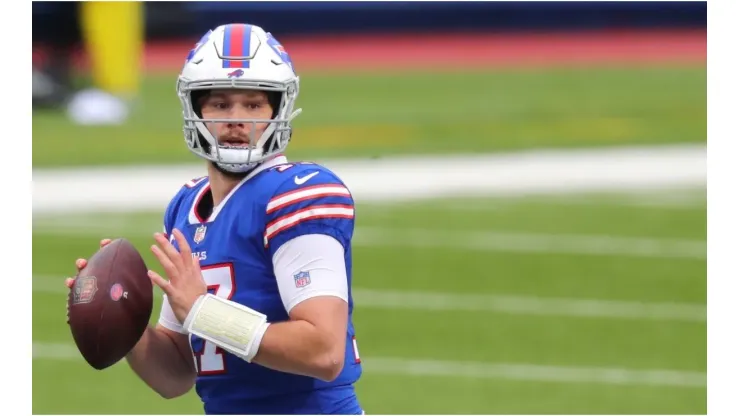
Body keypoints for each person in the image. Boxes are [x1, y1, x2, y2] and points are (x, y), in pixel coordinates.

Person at [65, 23, 364, 415]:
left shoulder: (299, 194)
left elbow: (323, 352)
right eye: (220, 104)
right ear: (195, 109)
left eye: (254, 104)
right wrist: (123, 319)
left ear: (279, 109)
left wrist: (204, 312)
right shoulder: (185, 205)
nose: (237, 119)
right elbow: (175, 376)